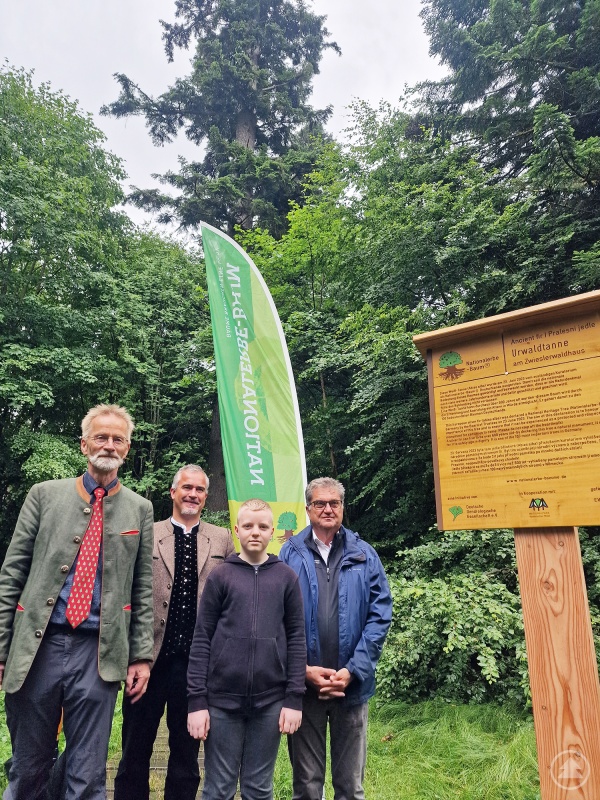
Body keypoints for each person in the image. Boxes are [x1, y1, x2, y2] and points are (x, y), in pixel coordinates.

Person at [0, 403, 154, 800]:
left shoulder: (140, 509)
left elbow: (142, 589)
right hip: (39, 647)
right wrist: (1, 650)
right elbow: (12, 575)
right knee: (28, 768)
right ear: (84, 443)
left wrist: (140, 656)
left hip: (98, 652)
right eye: (101, 437)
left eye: (118, 439)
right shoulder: (43, 495)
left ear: (127, 449)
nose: (109, 445)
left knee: (87, 776)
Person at [114, 464, 235, 800]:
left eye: (199, 489)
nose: (192, 494)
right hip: (148, 661)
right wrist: (130, 654)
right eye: (186, 488)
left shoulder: (222, 538)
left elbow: (232, 596)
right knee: (134, 751)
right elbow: (126, 592)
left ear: (205, 496)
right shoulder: (148, 533)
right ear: (173, 492)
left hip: (196, 667)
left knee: (186, 757)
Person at [279, 477, 393, 800]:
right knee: (306, 786)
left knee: (350, 787)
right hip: (305, 689)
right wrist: (301, 670)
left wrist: (353, 670)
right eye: (320, 503)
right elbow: (277, 619)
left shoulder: (364, 554)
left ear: (342, 507)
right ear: (308, 509)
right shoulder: (289, 554)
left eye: (334, 503)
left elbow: (380, 615)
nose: (327, 509)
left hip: (351, 689)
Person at [187, 499, 307, 800]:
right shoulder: (220, 576)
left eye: (263, 526)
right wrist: (196, 702)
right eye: (249, 526)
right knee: (218, 789)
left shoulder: (286, 578)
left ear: (272, 531)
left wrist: (294, 698)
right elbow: (202, 638)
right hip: (221, 701)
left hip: (270, 702)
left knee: (258, 788)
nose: (255, 532)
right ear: (236, 530)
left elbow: (297, 639)